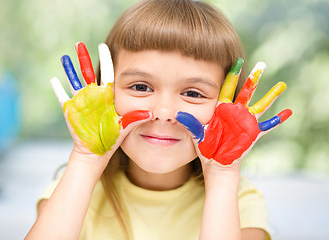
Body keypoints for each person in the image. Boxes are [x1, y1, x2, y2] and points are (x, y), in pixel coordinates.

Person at [25, 0, 292, 239]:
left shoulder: (240, 203)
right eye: (141, 87)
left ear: (229, 105)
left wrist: (222, 174)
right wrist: (86, 159)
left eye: (192, 93)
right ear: (103, 91)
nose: (164, 113)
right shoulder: (73, 190)